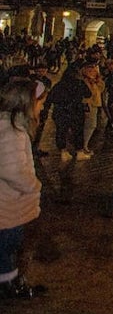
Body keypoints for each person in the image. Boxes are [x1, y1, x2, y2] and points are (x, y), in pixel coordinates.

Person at [0, 78, 46, 299]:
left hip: (9, 204)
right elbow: (12, 171)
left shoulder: (10, 126)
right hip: (10, 205)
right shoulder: (12, 131)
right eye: (39, 102)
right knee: (8, 247)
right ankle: (9, 286)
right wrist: (33, 185)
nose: (42, 106)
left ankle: (12, 282)